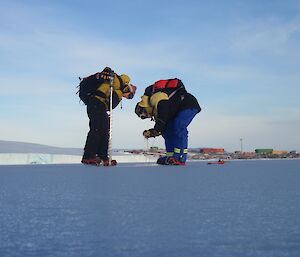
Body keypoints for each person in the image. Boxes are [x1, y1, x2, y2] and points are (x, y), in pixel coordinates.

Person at [135, 78, 201, 165]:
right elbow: (162, 126)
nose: (145, 116)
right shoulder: (155, 110)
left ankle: (180, 156)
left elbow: (163, 110)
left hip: (188, 104)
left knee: (178, 125)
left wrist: (156, 129)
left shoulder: (155, 98)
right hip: (177, 110)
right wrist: (152, 132)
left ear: (143, 106)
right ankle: (171, 156)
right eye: (143, 117)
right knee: (167, 131)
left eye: (142, 113)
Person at [81, 67, 136, 166]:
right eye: (129, 95)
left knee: (104, 130)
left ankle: (102, 156)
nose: (127, 97)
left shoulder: (116, 85)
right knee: (97, 129)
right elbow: (112, 103)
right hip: (96, 103)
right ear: (127, 88)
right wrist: (119, 95)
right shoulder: (117, 85)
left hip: (98, 105)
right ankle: (89, 156)